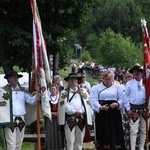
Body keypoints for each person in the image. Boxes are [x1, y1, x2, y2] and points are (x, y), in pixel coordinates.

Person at [2, 71, 39, 150]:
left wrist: (38, 92)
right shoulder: (4, 91)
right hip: (10, 119)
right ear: (8, 79)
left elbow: (32, 101)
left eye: (17, 77)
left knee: (18, 144)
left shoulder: (22, 91)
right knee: (11, 145)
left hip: (21, 119)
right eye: (13, 77)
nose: (16, 79)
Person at [89, 71, 125, 149]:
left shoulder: (117, 87)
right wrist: (100, 107)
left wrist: (118, 104)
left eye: (110, 79)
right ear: (103, 79)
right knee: (104, 131)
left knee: (115, 131)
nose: (108, 81)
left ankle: (115, 146)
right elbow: (93, 99)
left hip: (114, 112)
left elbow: (122, 98)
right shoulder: (96, 88)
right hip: (102, 113)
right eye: (107, 79)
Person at [58, 73, 92, 150]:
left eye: (75, 79)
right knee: (70, 141)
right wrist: (73, 111)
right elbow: (63, 105)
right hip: (70, 119)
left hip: (81, 119)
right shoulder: (64, 92)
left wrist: (81, 111)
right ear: (68, 81)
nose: (73, 81)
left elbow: (87, 104)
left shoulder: (83, 91)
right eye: (71, 79)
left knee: (79, 142)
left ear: (77, 81)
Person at [124, 65, 146, 150]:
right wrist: (128, 109)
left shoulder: (146, 82)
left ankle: (141, 147)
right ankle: (132, 148)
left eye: (139, 71)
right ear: (132, 73)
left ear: (141, 72)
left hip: (144, 109)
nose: (137, 72)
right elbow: (126, 97)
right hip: (134, 110)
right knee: (133, 131)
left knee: (143, 130)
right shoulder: (129, 84)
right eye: (135, 71)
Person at [45, 83, 64, 150]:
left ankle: (58, 147)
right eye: (51, 89)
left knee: (58, 132)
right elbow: (45, 108)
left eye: (54, 89)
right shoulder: (47, 98)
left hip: (58, 118)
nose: (52, 90)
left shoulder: (60, 98)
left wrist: (57, 113)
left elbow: (62, 107)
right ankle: (50, 147)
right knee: (50, 132)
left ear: (56, 90)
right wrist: (51, 113)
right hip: (50, 118)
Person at [121, 72, 133, 149]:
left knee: (133, 130)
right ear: (125, 79)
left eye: (131, 77)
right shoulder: (121, 87)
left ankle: (133, 146)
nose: (130, 78)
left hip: (134, 111)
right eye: (128, 77)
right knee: (125, 130)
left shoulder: (136, 87)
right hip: (124, 111)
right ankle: (126, 146)